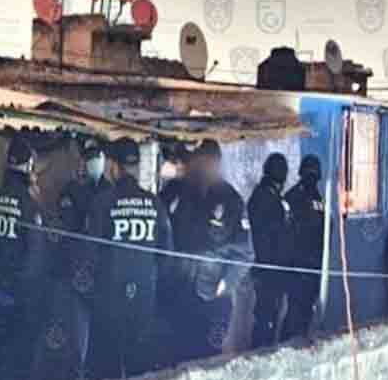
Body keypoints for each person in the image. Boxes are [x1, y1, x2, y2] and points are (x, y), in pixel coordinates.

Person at [85, 137, 173, 379]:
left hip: (108, 303)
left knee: (106, 369)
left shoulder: (102, 203)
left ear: (113, 166)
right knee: (139, 369)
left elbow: (89, 254)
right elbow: (166, 257)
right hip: (144, 303)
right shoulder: (156, 205)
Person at [160, 140, 253, 362]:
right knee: (170, 358)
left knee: (206, 360)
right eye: (197, 163)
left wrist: (226, 284)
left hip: (211, 298)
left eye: (205, 163)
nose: (200, 168)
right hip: (176, 291)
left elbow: (245, 254)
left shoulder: (230, 200)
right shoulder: (175, 191)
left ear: (215, 163)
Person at [31, 138, 112, 380]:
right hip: (74, 276)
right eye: (90, 158)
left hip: (104, 278)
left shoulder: (110, 190)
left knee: (101, 342)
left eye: (97, 157)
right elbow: (67, 232)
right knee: (74, 340)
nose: (93, 163)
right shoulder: (72, 191)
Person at [0, 134, 51, 380]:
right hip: (19, 303)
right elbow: (36, 260)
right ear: (29, 169)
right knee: (18, 365)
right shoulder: (30, 206)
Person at [247, 153, 293, 348]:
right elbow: (273, 235)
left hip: (269, 267)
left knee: (268, 316)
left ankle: (262, 351)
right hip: (269, 268)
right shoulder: (266, 198)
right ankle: (260, 353)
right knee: (266, 318)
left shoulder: (266, 195)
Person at [283, 155, 324, 340]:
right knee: (295, 309)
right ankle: (287, 344)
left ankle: (300, 341)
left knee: (307, 308)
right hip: (298, 263)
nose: (312, 178)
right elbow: (287, 230)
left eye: (314, 174)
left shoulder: (317, 197)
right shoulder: (293, 196)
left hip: (314, 263)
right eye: (310, 174)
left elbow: (324, 226)